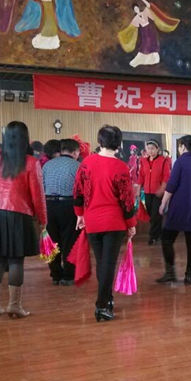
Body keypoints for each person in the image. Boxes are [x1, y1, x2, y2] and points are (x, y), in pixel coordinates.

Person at [0, 121, 47, 319]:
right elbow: (38, 195)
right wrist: (42, 219)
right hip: (19, 215)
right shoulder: (31, 162)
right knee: (16, 261)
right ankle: (14, 306)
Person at [73, 126, 137, 321]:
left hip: (92, 221)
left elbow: (78, 191)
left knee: (103, 263)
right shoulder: (121, 167)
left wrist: (79, 214)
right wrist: (131, 223)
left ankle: (107, 300)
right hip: (114, 223)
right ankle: (101, 306)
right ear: (119, 143)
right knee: (108, 264)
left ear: (100, 141)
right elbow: (127, 200)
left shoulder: (86, 163)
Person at [157, 135, 191, 285]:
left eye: (180, 146)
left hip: (178, 208)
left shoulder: (180, 162)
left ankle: (170, 273)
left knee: (167, 239)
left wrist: (163, 203)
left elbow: (171, 186)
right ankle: (190, 274)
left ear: (183, 147)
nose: (179, 149)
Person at [43, 139, 81, 286]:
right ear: (75, 152)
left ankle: (55, 275)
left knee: (52, 241)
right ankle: (69, 276)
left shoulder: (47, 165)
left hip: (49, 205)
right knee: (70, 241)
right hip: (69, 205)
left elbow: (41, 187)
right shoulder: (78, 166)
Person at [138, 139, 171, 246]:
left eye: (152, 148)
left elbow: (166, 177)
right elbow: (141, 176)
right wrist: (138, 189)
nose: (150, 151)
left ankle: (153, 237)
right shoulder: (143, 161)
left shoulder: (163, 161)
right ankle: (159, 233)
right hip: (147, 192)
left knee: (155, 214)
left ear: (158, 149)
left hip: (158, 192)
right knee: (151, 214)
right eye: (148, 149)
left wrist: (162, 189)